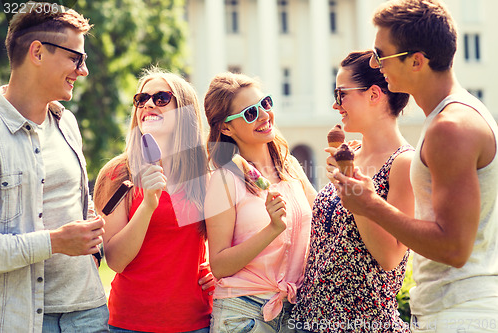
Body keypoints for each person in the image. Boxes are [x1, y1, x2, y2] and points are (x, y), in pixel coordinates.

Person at [334, 1, 498, 331]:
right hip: (450, 311)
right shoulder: (450, 118)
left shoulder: (450, 128)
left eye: (381, 55)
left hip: (459, 314)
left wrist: (369, 205)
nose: (376, 64)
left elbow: (453, 247)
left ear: (417, 61)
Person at [0, 2, 109, 332]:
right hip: (25, 319)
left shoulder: (67, 121)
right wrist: (55, 243)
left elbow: (79, 203)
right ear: (37, 52)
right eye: (77, 58)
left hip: (89, 312)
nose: (83, 70)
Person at [290, 50, 414, 333]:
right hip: (308, 321)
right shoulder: (351, 153)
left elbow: (390, 258)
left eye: (341, 94)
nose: (336, 106)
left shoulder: (404, 163)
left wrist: (355, 195)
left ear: (373, 95)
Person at [93, 68, 213, 333]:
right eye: (141, 98)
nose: (147, 103)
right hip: (130, 323)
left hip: (195, 322)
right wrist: (148, 205)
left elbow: (229, 240)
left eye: (160, 98)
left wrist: (218, 270)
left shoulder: (206, 173)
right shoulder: (118, 173)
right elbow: (115, 261)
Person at [203, 72, 316, 332]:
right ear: (226, 127)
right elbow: (219, 265)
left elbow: (323, 216)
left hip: (294, 310)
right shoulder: (223, 179)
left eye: (265, 103)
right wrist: (272, 229)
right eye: (250, 113)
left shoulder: (290, 167)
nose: (265, 115)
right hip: (243, 313)